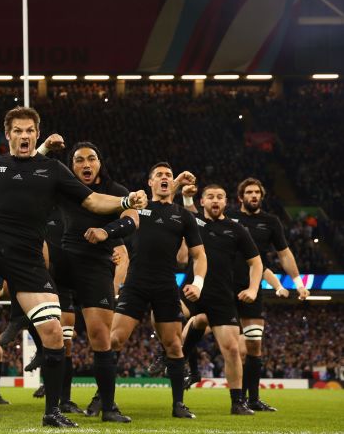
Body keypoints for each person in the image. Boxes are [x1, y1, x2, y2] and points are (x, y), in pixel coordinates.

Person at [0, 106, 147, 427]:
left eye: (29, 131)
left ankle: (52, 412)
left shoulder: (53, 169)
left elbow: (93, 201)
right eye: (18, 130)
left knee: (54, 333)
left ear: (36, 135)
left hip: (27, 257)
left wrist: (125, 202)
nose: (24, 136)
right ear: (8, 134)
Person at [38, 137, 136, 422]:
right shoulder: (66, 189)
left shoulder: (116, 191)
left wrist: (108, 232)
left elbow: (133, 220)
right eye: (79, 160)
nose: (85, 164)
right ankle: (54, 408)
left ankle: (109, 408)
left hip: (96, 266)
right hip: (65, 261)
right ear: (71, 167)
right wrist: (44, 148)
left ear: (100, 163)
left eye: (90, 158)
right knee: (54, 335)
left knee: (100, 337)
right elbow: (32, 174)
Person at [108, 162, 206, 419]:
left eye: (168, 175)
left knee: (174, 345)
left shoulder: (183, 216)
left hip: (165, 285)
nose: (164, 178)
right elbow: (115, 226)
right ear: (149, 182)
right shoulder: (137, 208)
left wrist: (197, 283)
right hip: (135, 283)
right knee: (114, 340)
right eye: (159, 175)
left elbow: (199, 255)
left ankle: (178, 405)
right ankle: (105, 400)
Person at [226, 178, 310, 411]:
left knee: (253, 346)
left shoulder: (270, 222)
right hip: (224, 287)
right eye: (249, 192)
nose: (254, 196)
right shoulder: (229, 217)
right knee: (233, 345)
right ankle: (189, 370)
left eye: (257, 192)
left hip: (253, 288)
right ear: (240, 197)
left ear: (261, 196)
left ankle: (251, 400)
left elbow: (284, 254)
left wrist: (297, 283)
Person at [180, 184, 263, 415]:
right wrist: (186, 196)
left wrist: (253, 289)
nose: (215, 200)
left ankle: (237, 402)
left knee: (232, 349)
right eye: (210, 197)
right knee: (174, 321)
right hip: (191, 288)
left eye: (219, 197)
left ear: (226, 202)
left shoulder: (236, 229)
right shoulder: (193, 221)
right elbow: (187, 211)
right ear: (202, 201)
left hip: (221, 295)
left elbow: (256, 263)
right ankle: (178, 360)